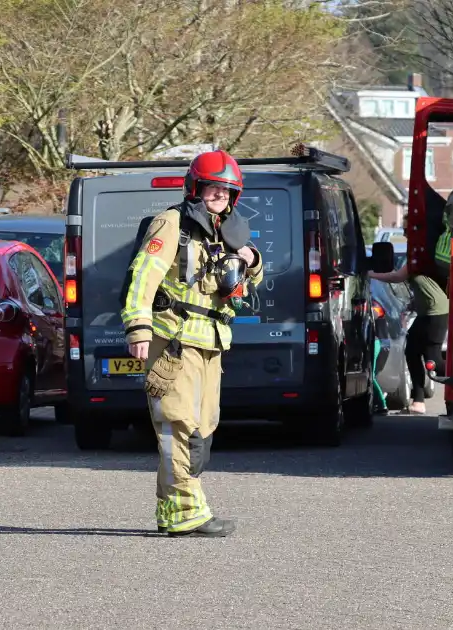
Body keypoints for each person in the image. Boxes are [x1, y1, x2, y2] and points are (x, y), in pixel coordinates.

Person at [121, 150, 263, 538]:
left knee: (203, 428)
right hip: (173, 343)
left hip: (211, 343)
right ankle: (188, 512)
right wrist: (138, 328)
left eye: (226, 190)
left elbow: (239, 282)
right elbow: (142, 276)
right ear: (195, 188)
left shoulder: (226, 231)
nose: (218, 195)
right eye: (212, 188)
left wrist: (251, 260)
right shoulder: (172, 224)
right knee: (178, 426)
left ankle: (172, 510)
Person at [369, 264, 449, 415]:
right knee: (412, 352)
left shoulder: (416, 259)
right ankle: (418, 402)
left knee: (434, 359)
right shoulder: (419, 257)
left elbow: (396, 277)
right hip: (429, 311)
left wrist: (370, 274)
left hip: (435, 312)